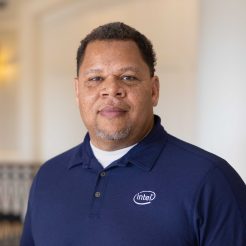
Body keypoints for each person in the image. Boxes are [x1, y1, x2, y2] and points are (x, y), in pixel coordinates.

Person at [20, 22, 246, 246]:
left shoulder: (210, 180)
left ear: (154, 90)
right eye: (95, 79)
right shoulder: (48, 177)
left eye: (128, 77)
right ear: (77, 92)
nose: (111, 89)